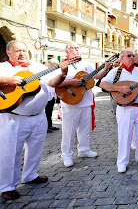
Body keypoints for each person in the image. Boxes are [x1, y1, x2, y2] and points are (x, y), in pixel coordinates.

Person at [0, 40, 68, 200]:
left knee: (36, 148)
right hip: (13, 118)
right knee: (11, 153)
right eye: (17, 51)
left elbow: (52, 82)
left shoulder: (38, 67)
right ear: (8, 52)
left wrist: (63, 74)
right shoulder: (3, 67)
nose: (22, 53)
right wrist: (8, 81)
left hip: (38, 116)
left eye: (24, 50)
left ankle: (30, 174)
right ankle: (7, 186)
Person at [100, 49, 138, 173]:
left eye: (133, 56)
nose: (132, 57)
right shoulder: (116, 72)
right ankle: (122, 162)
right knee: (125, 135)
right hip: (125, 109)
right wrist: (119, 88)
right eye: (129, 56)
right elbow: (102, 84)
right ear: (122, 58)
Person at [57, 42, 111, 167]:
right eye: (73, 48)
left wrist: (106, 68)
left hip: (85, 101)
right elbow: (55, 83)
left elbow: (97, 76)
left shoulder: (85, 64)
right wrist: (71, 82)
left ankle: (84, 149)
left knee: (85, 129)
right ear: (67, 51)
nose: (76, 50)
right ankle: (67, 154)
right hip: (69, 102)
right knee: (68, 131)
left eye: (77, 48)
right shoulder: (62, 65)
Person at [45, 58, 61, 133]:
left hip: (52, 94)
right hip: (46, 94)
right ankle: (46, 127)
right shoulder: (47, 72)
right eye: (55, 65)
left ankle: (50, 125)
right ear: (51, 65)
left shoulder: (55, 72)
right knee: (47, 111)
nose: (57, 66)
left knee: (50, 110)